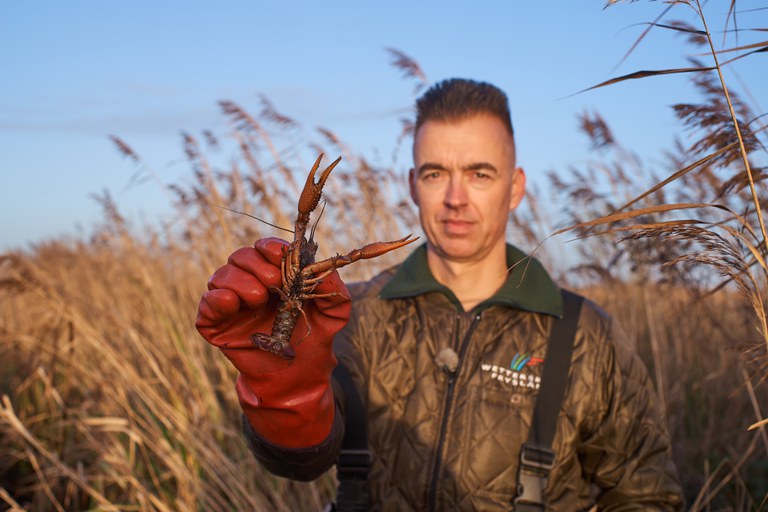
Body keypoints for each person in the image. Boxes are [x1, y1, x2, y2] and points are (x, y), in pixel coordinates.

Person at [196, 78, 684, 511]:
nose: (455, 198)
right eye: (435, 174)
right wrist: (283, 394)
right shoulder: (348, 313)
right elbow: (302, 463)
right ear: (413, 185)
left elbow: (646, 496)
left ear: (515, 188)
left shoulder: (585, 335)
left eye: (479, 173)